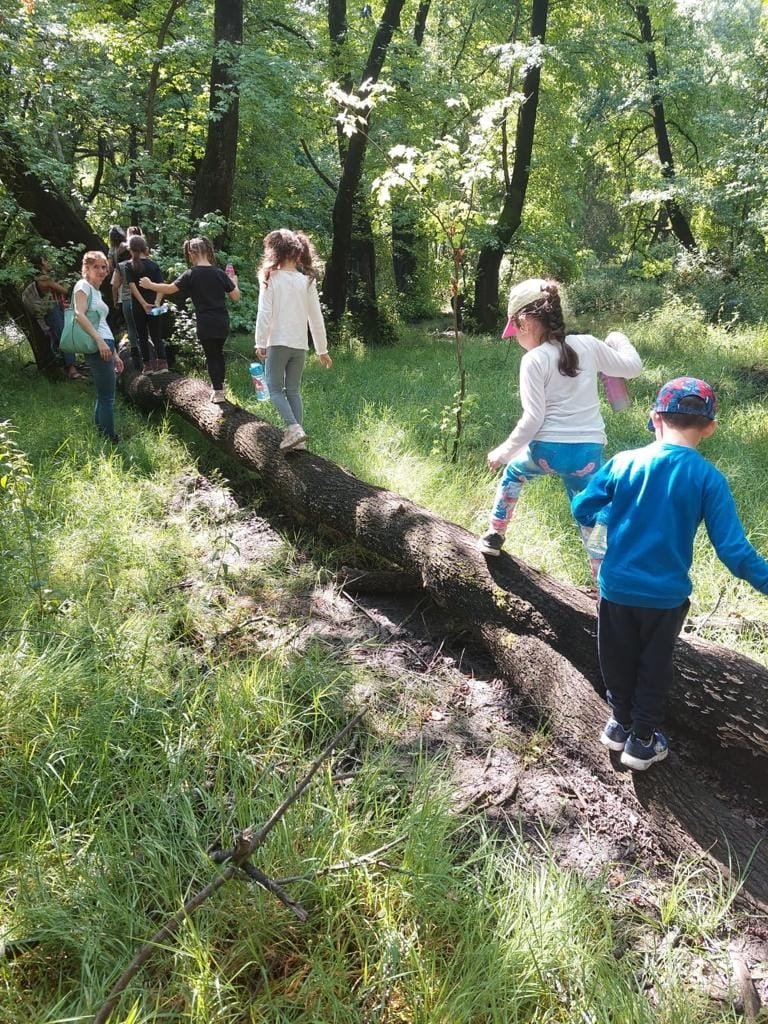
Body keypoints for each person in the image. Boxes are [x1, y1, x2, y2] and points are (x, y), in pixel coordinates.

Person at [571, 377, 768, 770]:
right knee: (654, 665)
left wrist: (609, 517)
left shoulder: (624, 462)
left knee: (616, 656)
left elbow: (582, 507)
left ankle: (618, 723)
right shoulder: (708, 478)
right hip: (665, 598)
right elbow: (734, 552)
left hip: (616, 588)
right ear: (709, 428)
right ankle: (642, 739)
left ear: (655, 418)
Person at [478, 277, 642, 580]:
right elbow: (632, 367)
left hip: (546, 452)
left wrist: (503, 452)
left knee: (513, 474)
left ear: (525, 322)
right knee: (589, 514)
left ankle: (494, 534)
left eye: (515, 331)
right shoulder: (589, 345)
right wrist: (619, 339)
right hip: (586, 455)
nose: (516, 338)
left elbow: (533, 418)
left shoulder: (533, 360)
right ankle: (604, 584)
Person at [254, 228, 333, 451]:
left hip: (278, 342)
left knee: (273, 387)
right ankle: (298, 440)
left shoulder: (270, 277)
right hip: (300, 345)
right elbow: (316, 318)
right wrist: (322, 349)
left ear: (275, 252)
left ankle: (294, 428)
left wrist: (260, 342)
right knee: (293, 390)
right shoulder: (306, 281)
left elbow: (264, 313)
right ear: (298, 253)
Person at [139, 236, 240, 403]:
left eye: (189, 254)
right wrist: (234, 282)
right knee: (218, 354)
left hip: (206, 322)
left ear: (192, 253)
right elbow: (235, 296)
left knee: (212, 356)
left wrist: (150, 285)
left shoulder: (191, 274)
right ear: (207, 251)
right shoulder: (219, 273)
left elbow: (170, 289)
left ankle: (218, 391)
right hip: (222, 321)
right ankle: (220, 386)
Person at [72, 250, 124, 443]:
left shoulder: (95, 291)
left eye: (104, 267)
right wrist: (99, 341)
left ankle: (101, 434)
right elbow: (79, 314)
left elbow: (102, 324)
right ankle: (111, 440)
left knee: (103, 395)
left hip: (106, 343)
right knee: (108, 397)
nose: (102, 271)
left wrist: (115, 354)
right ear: (86, 268)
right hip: (98, 344)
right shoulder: (83, 286)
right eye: (96, 267)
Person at [22, 256, 85, 380]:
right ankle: (72, 369)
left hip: (48, 311)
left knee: (58, 337)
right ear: (41, 266)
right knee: (64, 336)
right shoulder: (44, 279)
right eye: (45, 261)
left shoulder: (37, 279)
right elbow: (65, 290)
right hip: (51, 311)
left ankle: (65, 366)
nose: (48, 262)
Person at [121, 234, 169, 371]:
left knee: (142, 336)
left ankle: (147, 366)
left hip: (138, 306)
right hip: (154, 306)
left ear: (130, 249)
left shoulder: (129, 266)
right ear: (144, 248)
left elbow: (132, 287)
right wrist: (157, 301)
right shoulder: (154, 265)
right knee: (156, 334)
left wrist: (143, 304)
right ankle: (163, 364)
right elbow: (161, 286)